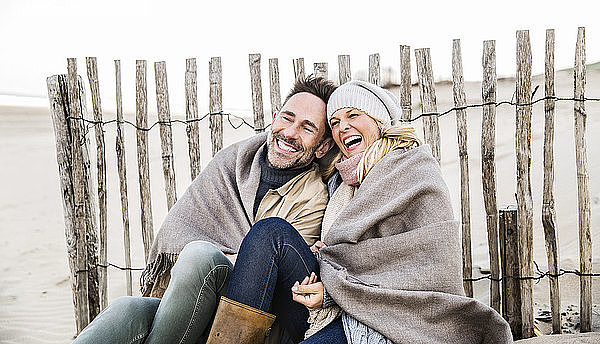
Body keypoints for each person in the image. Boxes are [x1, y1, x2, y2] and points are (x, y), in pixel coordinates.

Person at [208, 80, 512, 344]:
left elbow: (426, 264)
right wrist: (323, 263)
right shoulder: (342, 180)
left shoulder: (414, 171)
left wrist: (331, 280)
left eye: (353, 115)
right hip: (332, 309)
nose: (343, 127)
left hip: (394, 321)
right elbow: (343, 255)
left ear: (379, 120)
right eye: (336, 121)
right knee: (270, 233)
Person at [72, 76, 337, 344]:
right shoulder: (233, 161)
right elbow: (182, 228)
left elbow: (268, 272)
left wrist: (217, 257)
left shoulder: (313, 197)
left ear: (322, 146)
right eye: (287, 118)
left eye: (307, 128)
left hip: (254, 318)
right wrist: (219, 258)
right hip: (194, 298)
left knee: (201, 255)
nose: (290, 132)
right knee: (125, 310)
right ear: (274, 118)